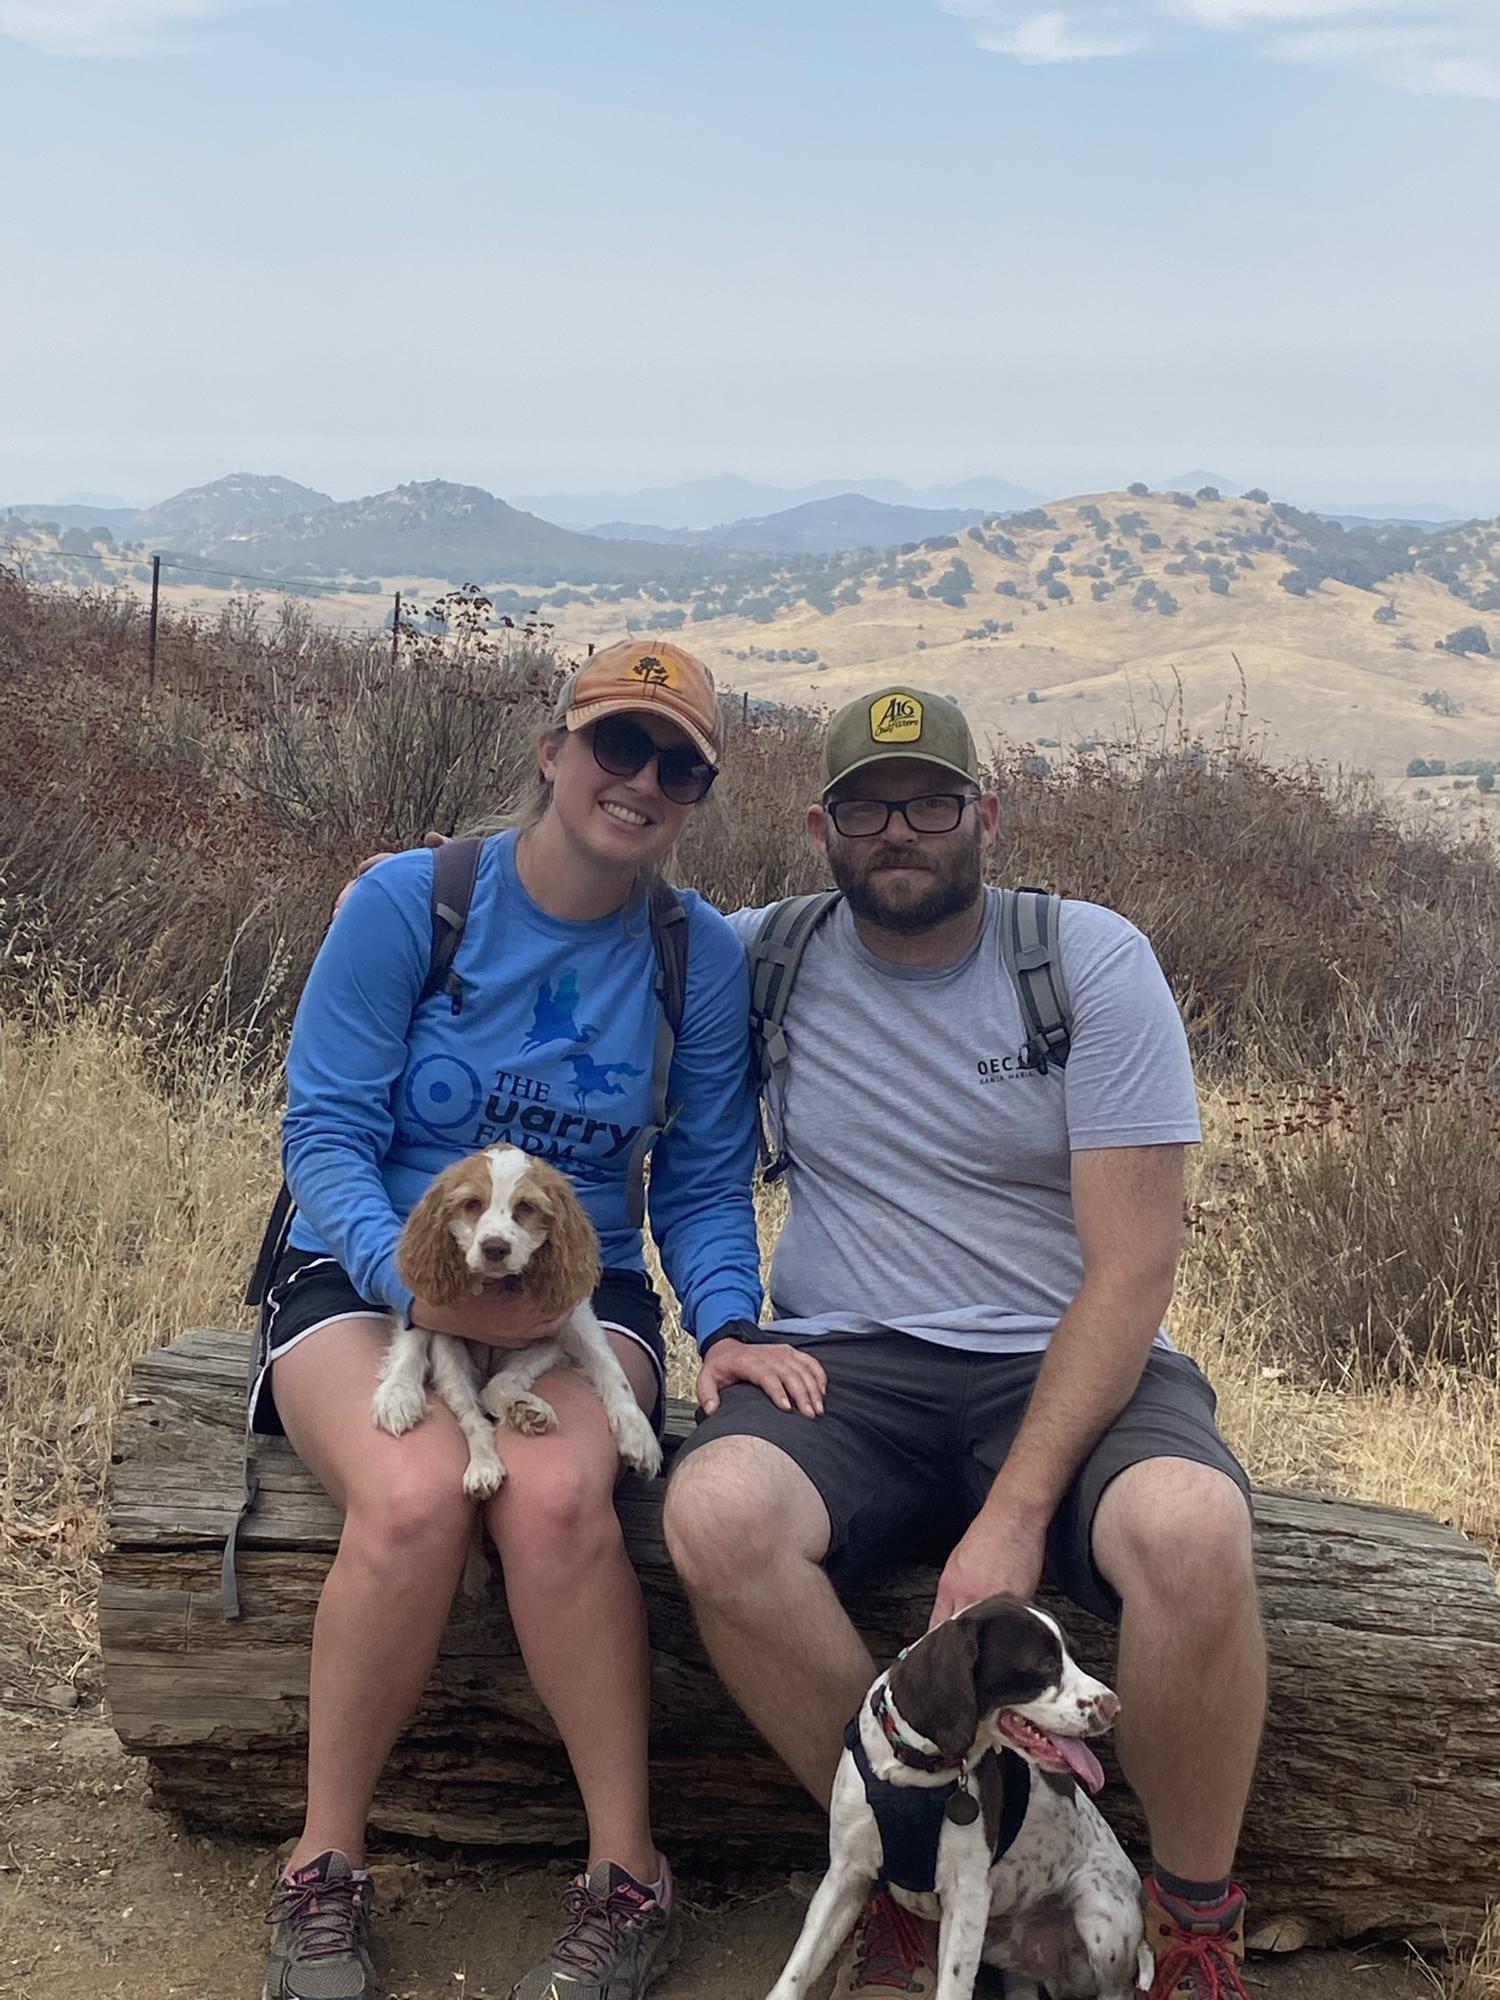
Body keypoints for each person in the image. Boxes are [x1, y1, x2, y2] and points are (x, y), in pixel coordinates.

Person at [663, 685, 1267, 2000]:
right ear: (822, 825)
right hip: (850, 1369)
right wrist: (440, 872)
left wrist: (1018, 1507)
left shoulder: (1087, 963)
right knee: (714, 1510)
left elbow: (1134, 1266)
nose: (901, 830)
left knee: (1193, 1531)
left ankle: (1191, 1924)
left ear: (983, 813)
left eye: (930, 799)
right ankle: (915, 1876)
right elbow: (599, 921)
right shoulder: (764, 955)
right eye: (870, 805)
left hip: (1068, 1359)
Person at [257, 638, 763, 2000]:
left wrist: (728, 1326)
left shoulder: (693, 956)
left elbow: (707, 1180)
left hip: (575, 1296)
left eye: (678, 763)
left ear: (693, 792)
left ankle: (626, 1873)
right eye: (618, 744)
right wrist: (401, 1278)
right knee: (417, 1492)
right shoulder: (409, 902)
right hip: (369, 1275)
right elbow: (326, 1127)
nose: (641, 779)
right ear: (554, 751)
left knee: (549, 1500)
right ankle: (323, 1869)